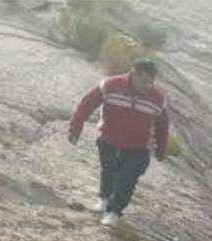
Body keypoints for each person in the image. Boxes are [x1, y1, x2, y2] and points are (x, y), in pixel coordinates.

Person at [68, 59, 169, 226]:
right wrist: (75, 127)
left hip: (138, 147)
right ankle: (104, 199)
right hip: (109, 139)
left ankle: (114, 212)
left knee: (126, 179)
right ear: (133, 74)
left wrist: (161, 148)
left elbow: (162, 124)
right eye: (144, 80)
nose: (147, 85)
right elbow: (86, 104)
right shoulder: (110, 85)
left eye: (151, 82)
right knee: (108, 170)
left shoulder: (157, 99)